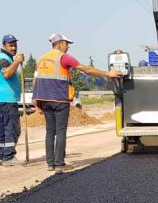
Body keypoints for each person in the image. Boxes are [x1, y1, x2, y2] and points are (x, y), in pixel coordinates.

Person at [33, 33, 123, 173]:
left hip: (44, 99)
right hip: (59, 99)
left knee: (50, 132)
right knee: (61, 131)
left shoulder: (42, 59)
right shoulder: (64, 57)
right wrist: (108, 74)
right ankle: (59, 164)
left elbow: (36, 80)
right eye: (66, 44)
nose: (68, 46)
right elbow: (86, 69)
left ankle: (50, 163)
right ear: (59, 44)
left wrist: (36, 101)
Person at [0, 34, 24, 166]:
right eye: (11, 45)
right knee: (12, 128)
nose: (14, 48)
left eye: (15, 45)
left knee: (1, 128)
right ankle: (8, 157)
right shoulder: (3, 59)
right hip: (6, 100)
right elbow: (7, 73)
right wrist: (17, 61)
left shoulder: (2, 58)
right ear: (4, 45)